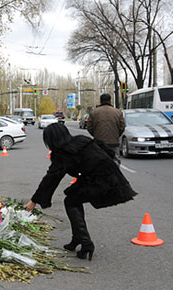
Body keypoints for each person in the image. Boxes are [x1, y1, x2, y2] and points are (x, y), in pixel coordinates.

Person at [24, 123, 137, 260]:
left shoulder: (63, 154)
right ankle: (77, 238)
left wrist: (34, 201)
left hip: (102, 180)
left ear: (52, 140)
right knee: (72, 199)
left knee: (71, 201)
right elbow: (105, 149)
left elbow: (50, 179)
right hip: (107, 174)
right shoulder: (80, 140)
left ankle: (86, 243)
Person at [87, 93, 125, 163]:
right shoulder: (118, 112)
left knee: (99, 161)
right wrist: (116, 135)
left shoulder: (94, 112)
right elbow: (122, 127)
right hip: (114, 142)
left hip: (99, 143)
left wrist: (96, 135)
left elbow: (89, 128)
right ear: (110, 101)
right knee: (115, 161)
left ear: (100, 101)